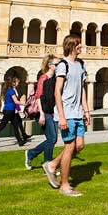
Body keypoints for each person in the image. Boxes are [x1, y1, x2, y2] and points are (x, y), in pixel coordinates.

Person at [47, 34, 90, 196]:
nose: (81, 46)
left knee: (79, 145)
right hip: (67, 111)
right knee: (69, 146)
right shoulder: (63, 65)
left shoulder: (81, 65)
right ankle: (65, 186)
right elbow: (57, 92)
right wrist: (62, 116)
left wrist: (86, 110)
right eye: (78, 44)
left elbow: (82, 89)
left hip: (78, 112)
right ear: (72, 46)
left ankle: (52, 165)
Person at [25, 55, 58, 171]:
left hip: (52, 112)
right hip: (43, 112)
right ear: (50, 66)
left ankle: (31, 154)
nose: (58, 66)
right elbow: (38, 96)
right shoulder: (43, 78)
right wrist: (42, 114)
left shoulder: (55, 79)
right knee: (52, 139)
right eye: (56, 65)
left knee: (52, 139)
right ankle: (47, 165)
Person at [0, 75, 28, 149]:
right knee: (2, 126)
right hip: (9, 110)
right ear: (13, 83)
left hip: (10, 110)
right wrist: (26, 104)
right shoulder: (11, 91)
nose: (18, 83)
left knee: (15, 125)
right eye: (16, 82)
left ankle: (20, 141)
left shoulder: (8, 90)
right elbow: (16, 101)